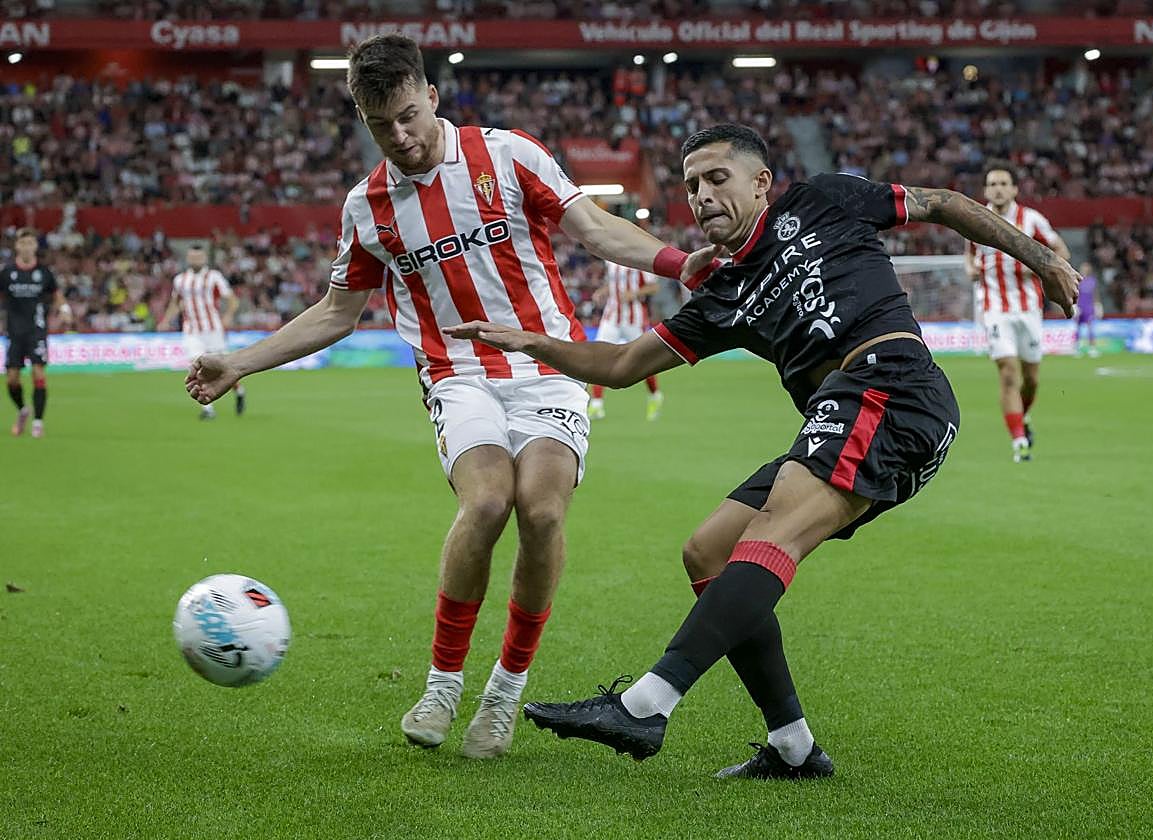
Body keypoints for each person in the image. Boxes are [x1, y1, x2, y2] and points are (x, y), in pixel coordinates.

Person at [446, 124, 1080, 779]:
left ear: (760, 182)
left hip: (892, 385)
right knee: (710, 550)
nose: (701, 195)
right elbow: (623, 364)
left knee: (773, 531)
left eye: (716, 178)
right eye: (691, 186)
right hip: (842, 414)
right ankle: (794, 748)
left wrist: (1044, 258)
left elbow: (943, 203)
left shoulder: (824, 200)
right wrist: (531, 341)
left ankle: (645, 704)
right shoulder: (723, 294)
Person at [184, 34, 713, 759]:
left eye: (407, 115)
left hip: (548, 363)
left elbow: (592, 228)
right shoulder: (368, 207)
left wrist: (679, 262)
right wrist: (241, 362)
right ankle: (442, 683)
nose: (399, 137)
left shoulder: (509, 155)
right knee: (489, 502)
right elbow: (337, 312)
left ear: (432, 96)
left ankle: (503, 692)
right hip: (457, 375)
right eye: (380, 125)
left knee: (544, 509)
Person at [965, 162, 1071, 462]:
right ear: (986, 190)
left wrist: (1041, 268)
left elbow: (1062, 252)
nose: (997, 189)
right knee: (1008, 374)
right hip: (995, 309)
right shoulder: (973, 219)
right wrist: (971, 269)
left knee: (1032, 379)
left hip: (1029, 310)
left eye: (1003, 183)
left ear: (1013, 189)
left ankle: (1021, 419)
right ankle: (1019, 442)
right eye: (992, 184)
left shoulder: (1032, 220)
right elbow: (969, 257)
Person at [159, 244, 244, 420]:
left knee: (223, 368)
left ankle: (239, 391)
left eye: (198, 257)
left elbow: (232, 300)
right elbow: (176, 303)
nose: (195, 260)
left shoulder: (214, 277)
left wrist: (228, 315)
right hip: (192, 331)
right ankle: (208, 409)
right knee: (198, 367)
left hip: (213, 330)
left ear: (204, 258)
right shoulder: (180, 280)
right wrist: (166, 320)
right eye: (192, 257)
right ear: (188, 258)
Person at [2, 228, 72, 438]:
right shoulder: (7, 273)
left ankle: (38, 422)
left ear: (35, 246)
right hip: (14, 332)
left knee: (38, 373)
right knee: (12, 379)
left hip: (37, 331)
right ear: (17, 246)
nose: (27, 247)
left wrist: (65, 310)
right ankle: (23, 410)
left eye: (31, 243)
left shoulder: (44, 273)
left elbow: (57, 295)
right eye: (23, 243)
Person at [588, 260, 664, 421]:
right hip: (611, 317)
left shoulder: (637, 260)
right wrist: (603, 291)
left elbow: (654, 287)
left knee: (642, 359)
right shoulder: (610, 261)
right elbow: (615, 285)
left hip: (633, 319)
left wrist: (634, 293)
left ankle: (655, 395)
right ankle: (596, 404)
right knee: (600, 356)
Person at [1074, 262, 1100, 358]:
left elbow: (1095, 294)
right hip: (1080, 306)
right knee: (1078, 327)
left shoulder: (1092, 281)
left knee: (1090, 328)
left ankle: (1092, 348)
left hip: (1089, 307)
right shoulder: (1077, 280)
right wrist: (1074, 306)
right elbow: (1074, 294)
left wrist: (1097, 305)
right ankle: (1077, 348)